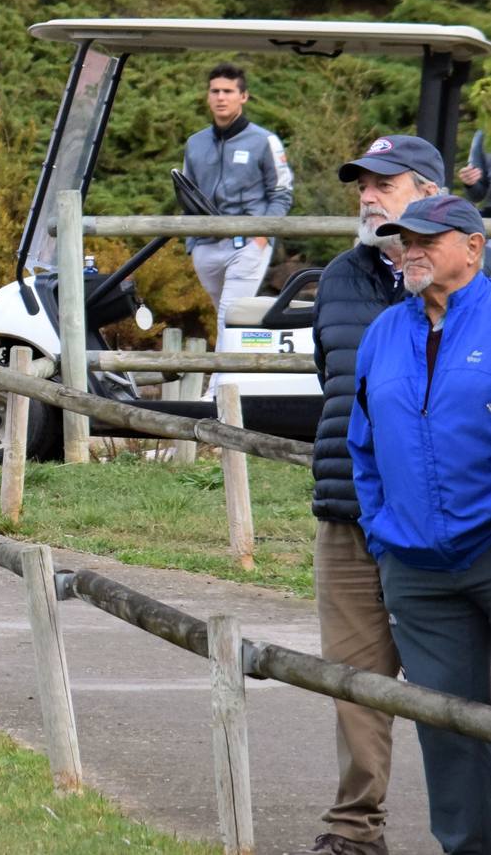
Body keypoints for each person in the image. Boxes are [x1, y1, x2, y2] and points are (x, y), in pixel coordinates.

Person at [303, 135, 442, 855]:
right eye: (361, 184)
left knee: (456, 685)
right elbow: (334, 386)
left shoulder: (470, 280)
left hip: (445, 521)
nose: (365, 196)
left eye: (382, 185)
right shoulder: (339, 276)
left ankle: (468, 829)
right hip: (348, 511)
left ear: (427, 194)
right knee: (355, 681)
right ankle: (353, 832)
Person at [351, 193, 491, 855]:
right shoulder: (383, 333)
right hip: (416, 570)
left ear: (472, 247)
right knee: (446, 727)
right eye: (403, 238)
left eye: (427, 238)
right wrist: (383, 536)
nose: (410, 248)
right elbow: (362, 444)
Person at [182, 63, 293, 318]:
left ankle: (223, 358)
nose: (221, 97)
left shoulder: (265, 141)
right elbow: (187, 193)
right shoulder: (195, 143)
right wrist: (193, 243)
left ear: (243, 96)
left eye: (228, 91)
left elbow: (281, 193)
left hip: (247, 244)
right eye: (215, 91)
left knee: (229, 314)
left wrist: (262, 237)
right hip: (205, 246)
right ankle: (237, 357)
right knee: (225, 316)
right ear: (208, 95)